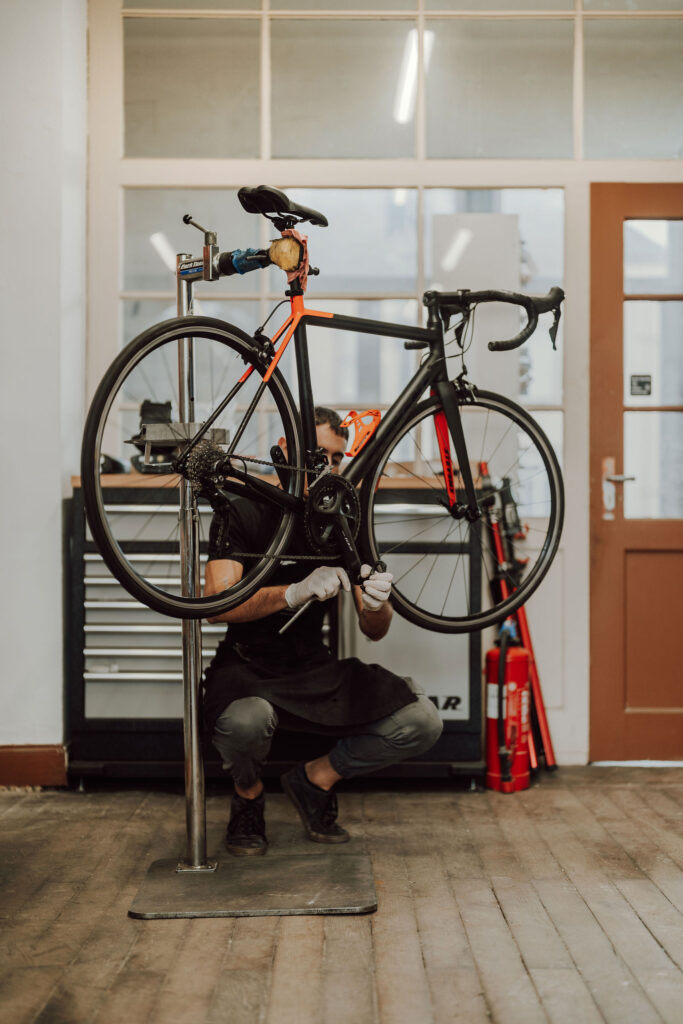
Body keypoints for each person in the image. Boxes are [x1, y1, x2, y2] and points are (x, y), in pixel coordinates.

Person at [202, 407, 443, 856]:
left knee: (421, 721)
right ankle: (248, 796)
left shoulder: (339, 521)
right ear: (286, 452)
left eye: (335, 459)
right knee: (245, 723)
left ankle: (314, 780)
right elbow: (217, 604)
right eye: (317, 455)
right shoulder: (244, 509)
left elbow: (374, 630)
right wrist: (292, 592)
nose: (326, 468)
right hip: (248, 668)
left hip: (313, 667)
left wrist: (377, 602)